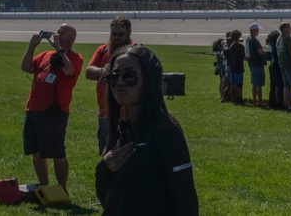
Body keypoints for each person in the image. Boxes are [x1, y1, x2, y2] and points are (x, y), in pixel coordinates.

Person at [95, 45, 198, 215]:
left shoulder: (165, 131)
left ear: (149, 80)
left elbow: (185, 199)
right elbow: (110, 199)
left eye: (129, 76)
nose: (119, 82)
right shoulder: (123, 129)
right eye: (114, 76)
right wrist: (104, 168)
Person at [20, 24, 83, 192]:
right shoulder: (45, 55)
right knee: (36, 150)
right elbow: (26, 67)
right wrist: (32, 46)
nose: (57, 33)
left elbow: (69, 70)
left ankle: (62, 189)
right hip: (33, 107)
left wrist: (58, 49)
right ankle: (44, 186)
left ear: (70, 38)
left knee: (56, 151)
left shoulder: (75, 57)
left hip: (54, 111)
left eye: (62, 33)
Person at [85, 15, 133, 153]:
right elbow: (88, 72)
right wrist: (102, 72)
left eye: (121, 34)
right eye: (114, 34)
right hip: (105, 112)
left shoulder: (135, 51)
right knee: (106, 154)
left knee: (127, 154)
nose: (117, 37)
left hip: (128, 114)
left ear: (128, 33)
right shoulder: (103, 50)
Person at [277, 23, 291, 113]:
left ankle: (289, 105)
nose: (290, 29)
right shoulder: (288, 39)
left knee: (286, 86)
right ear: (285, 29)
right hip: (290, 64)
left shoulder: (279, 39)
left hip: (282, 64)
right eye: (289, 28)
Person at [246, 23, 267, 108]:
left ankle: (255, 100)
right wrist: (267, 53)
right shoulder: (254, 40)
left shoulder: (248, 40)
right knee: (259, 84)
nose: (258, 31)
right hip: (257, 64)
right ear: (253, 31)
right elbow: (260, 51)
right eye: (257, 30)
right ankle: (260, 101)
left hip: (251, 63)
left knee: (254, 83)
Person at [227, 29, 246, 106]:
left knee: (233, 83)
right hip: (239, 66)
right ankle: (239, 98)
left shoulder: (231, 46)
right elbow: (244, 56)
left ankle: (233, 97)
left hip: (233, 66)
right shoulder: (241, 46)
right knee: (239, 84)